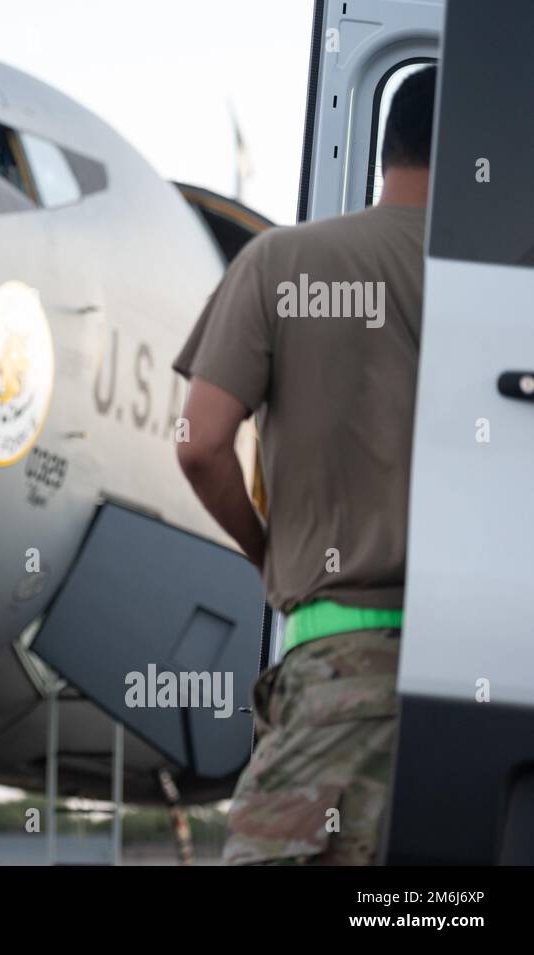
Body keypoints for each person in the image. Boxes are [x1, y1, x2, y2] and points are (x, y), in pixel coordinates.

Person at [173, 67, 437, 864]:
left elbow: (202, 443)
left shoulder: (282, 262)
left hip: (341, 666)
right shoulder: (507, 283)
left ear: (386, 147)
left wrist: (270, 551)